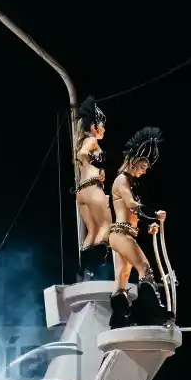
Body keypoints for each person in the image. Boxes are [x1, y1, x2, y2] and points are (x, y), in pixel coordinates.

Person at [106, 125, 167, 328]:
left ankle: (118, 320)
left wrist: (149, 224)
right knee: (145, 269)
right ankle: (148, 313)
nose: (145, 170)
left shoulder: (128, 183)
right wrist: (154, 214)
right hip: (120, 233)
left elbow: (132, 211)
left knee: (122, 280)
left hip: (123, 234)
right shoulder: (121, 180)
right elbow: (132, 205)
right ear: (133, 161)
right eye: (143, 165)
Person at [73, 97, 115, 282]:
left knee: (92, 231)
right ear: (93, 126)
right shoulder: (91, 141)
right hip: (92, 188)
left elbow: (81, 155)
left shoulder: (82, 141)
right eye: (102, 125)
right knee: (107, 226)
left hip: (81, 192)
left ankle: (85, 269)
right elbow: (83, 155)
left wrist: (99, 169)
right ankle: (97, 267)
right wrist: (93, 161)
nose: (104, 129)